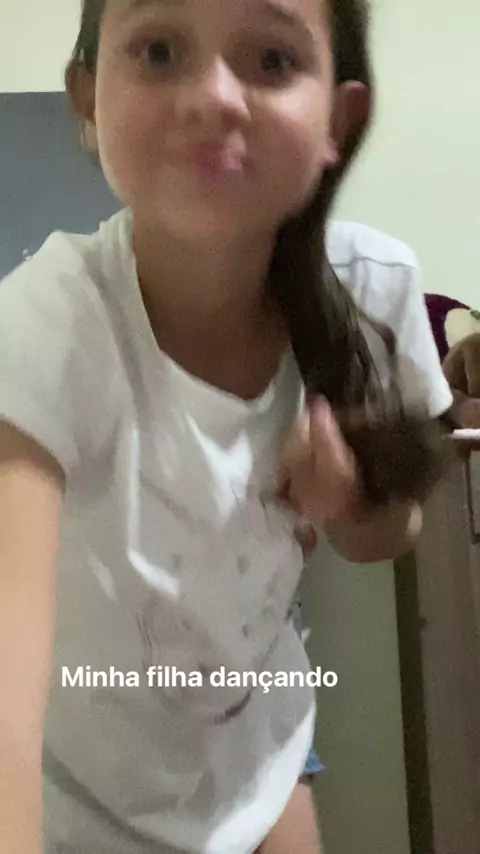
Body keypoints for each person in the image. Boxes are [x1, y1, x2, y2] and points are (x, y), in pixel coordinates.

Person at [0, 0, 453, 852]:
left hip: (261, 763)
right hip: (77, 803)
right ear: (87, 99)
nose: (212, 96)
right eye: (159, 50)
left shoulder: (373, 293)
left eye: (273, 61)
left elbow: (389, 534)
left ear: (338, 121)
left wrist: (349, 503)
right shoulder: (44, 324)